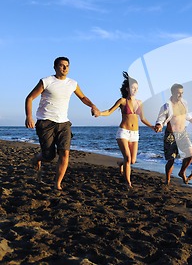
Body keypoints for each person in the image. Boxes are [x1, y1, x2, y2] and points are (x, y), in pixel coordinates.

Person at [25, 57, 100, 191]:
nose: (65, 68)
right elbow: (29, 98)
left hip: (64, 123)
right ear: (55, 67)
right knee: (49, 156)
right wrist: (29, 117)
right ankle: (38, 157)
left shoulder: (72, 83)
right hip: (46, 121)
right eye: (61, 65)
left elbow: (82, 97)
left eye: (67, 66)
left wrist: (92, 106)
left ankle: (57, 184)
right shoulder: (47, 81)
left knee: (65, 153)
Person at [97, 72, 155, 188]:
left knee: (132, 161)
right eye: (133, 88)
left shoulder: (139, 103)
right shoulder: (122, 101)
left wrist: (152, 127)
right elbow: (109, 112)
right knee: (128, 158)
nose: (135, 90)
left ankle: (121, 164)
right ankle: (128, 183)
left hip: (135, 134)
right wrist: (99, 113)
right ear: (127, 88)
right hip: (123, 132)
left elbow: (142, 118)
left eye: (137, 88)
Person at [154, 83, 192, 186]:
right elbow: (161, 118)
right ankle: (168, 180)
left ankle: (182, 172)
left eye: (182, 93)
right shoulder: (167, 106)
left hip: (183, 134)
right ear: (173, 93)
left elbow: (188, 116)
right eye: (178, 93)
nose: (181, 95)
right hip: (171, 135)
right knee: (171, 160)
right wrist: (159, 125)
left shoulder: (184, 104)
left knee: (190, 154)